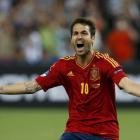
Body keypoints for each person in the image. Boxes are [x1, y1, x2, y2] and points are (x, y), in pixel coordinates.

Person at [0, 17, 140, 140]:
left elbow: (126, 85)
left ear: (92, 38)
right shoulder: (63, 66)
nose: (79, 37)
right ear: (71, 39)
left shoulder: (106, 62)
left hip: (105, 134)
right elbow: (31, 87)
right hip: (75, 132)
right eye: (75, 33)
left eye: (84, 33)